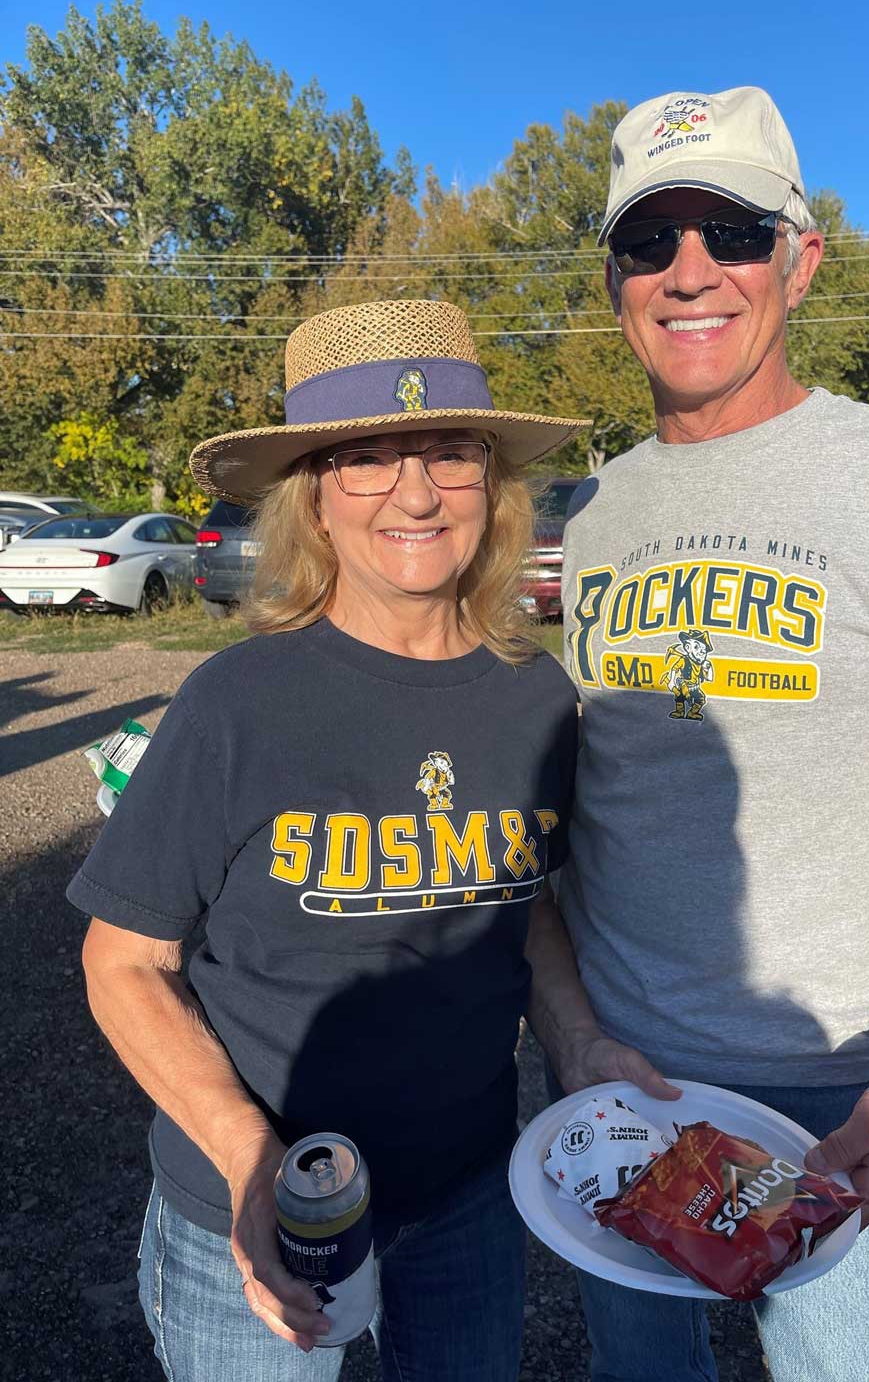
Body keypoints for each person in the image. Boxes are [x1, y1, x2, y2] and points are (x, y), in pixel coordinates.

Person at [549, 87, 869, 1380]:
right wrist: (565, 1037)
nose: (689, 271)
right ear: (613, 277)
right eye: (648, 241)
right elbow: (555, 802)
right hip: (614, 1076)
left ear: (800, 256)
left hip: (823, 1089)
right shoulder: (590, 509)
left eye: (731, 229)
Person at [69, 298, 666, 1382]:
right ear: (315, 502)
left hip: (469, 1195)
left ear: (492, 482)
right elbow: (123, 961)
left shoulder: (536, 698)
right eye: (367, 458)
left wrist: (582, 1048)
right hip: (256, 1208)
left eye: (448, 451)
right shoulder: (238, 701)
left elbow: (522, 906)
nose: (416, 490)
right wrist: (251, 1163)